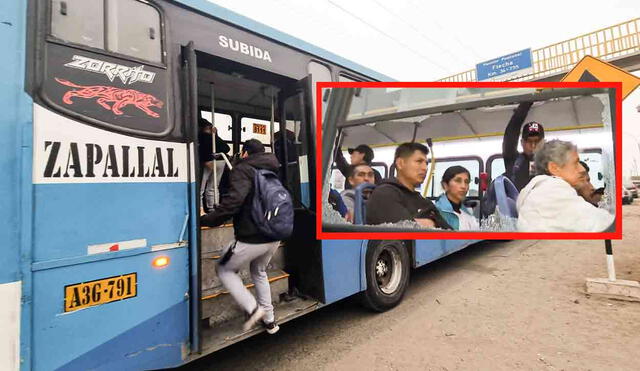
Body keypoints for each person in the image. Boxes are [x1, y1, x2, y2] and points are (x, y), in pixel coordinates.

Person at [200, 139, 282, 334]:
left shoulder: (243, 169)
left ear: (245, 153)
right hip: (274, 234)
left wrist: (207, 219)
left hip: (253, 236)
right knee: (259, 271)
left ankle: (254, 310)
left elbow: (234, 201)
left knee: (224, 269)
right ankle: (270, 321)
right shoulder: (272, 170)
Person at [516, 140, 614, 232]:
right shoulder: (552, 192)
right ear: (554, 168)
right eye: (576, 163)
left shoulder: (542, 190)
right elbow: (601, 224)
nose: (582, 169)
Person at [366, 142, 451, 229]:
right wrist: (430, 224)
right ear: (400, 163)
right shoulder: (384, 194)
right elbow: (406, 231)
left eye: (426, 163)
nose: (425, 168)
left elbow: (451, 234)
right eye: (419, 161)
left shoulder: (423, 201)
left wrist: (428, 224)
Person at [502, 102, 545, 191]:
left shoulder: (552, 164)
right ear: (522, 142)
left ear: (543, 142)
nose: (533, 145)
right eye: (529, 141)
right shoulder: (513, 160)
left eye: (537, 141)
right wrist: (528, 101)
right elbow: (511, 131)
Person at [198, 117, 230, 213]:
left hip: (207, 162)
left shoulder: (202, 136)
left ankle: (200, 209)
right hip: (220, 161)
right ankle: (213, 208)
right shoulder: (214, 138)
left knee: (201, 188)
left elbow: (201, 150)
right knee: (213, 187)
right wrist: (215, 135)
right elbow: (226, 148)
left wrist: (205, 160)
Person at [435, 166, 479, 230]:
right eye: (458, 181)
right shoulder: (437, 213)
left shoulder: (468, 213)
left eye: (466, 182)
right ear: (445, 185)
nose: (463, 186)